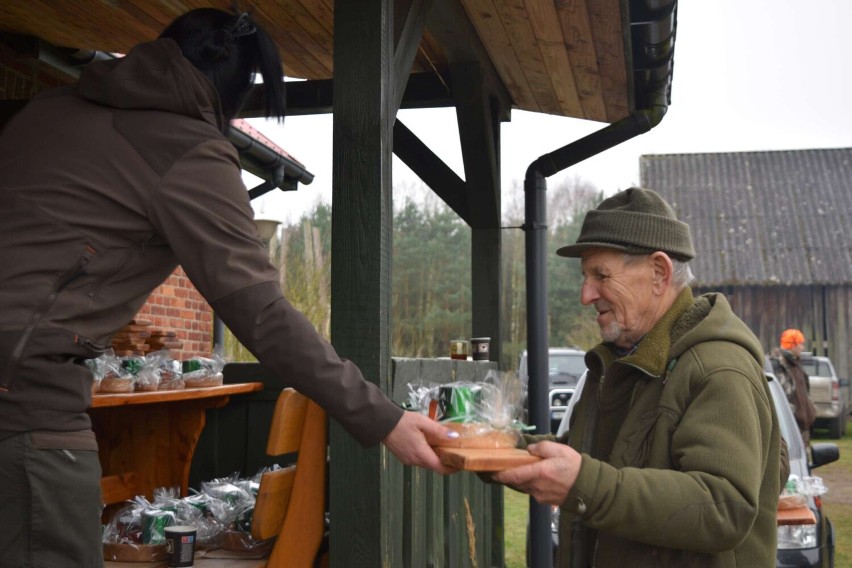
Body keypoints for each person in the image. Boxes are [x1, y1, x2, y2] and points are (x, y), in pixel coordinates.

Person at [0, 8, 455, 567]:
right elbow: (261, 312)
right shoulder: (189, 148)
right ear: (233, 94)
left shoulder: (46, 110)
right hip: (24, 402)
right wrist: (381, 417)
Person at [492, 188, 782, 567]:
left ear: (658, 272)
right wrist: (491, 449)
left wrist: (584, 484)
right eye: (585, 276)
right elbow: (592, 459)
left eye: (601, 275)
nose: (585, 294)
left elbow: (723, 506)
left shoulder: (718, 367)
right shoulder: (627, 360)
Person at [770, 328, 817, 445]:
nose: (802, 348)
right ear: (793, 345)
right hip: (788, 426)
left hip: (802, 425)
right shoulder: (776, 365)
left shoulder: (796, 364)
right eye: (800, 344)